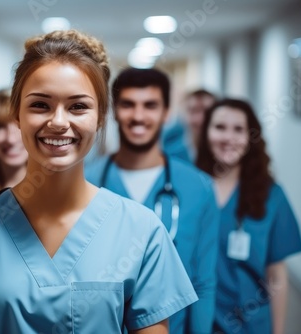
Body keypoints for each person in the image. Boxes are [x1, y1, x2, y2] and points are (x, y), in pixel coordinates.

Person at [0, 30, 198, 333]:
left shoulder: (142, 232)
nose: (58, 122)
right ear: (16, 114)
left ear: (101, 117)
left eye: (78, 106)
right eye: (40, 105)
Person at [86, 68, 220, 334]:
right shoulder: (83, 181)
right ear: (114, 110)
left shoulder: (199, 187)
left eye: (150, 105)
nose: (138, 116)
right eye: (127, 105)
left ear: (167, 113)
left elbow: (203, 283)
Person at [195, 98, 301, 334]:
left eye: (239, 129)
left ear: (250, 137)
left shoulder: (271, 195)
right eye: (220, 127)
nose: (228, 138)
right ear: (206, 133)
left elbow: (277, 275)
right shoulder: (189, 188)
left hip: (250, 325)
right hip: (195, 321)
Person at [162, 89, 216, 162]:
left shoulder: (222, 153)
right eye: (194, 111)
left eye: (208, 112)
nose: (201, 119)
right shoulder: (168, 153)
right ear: (182, 114)